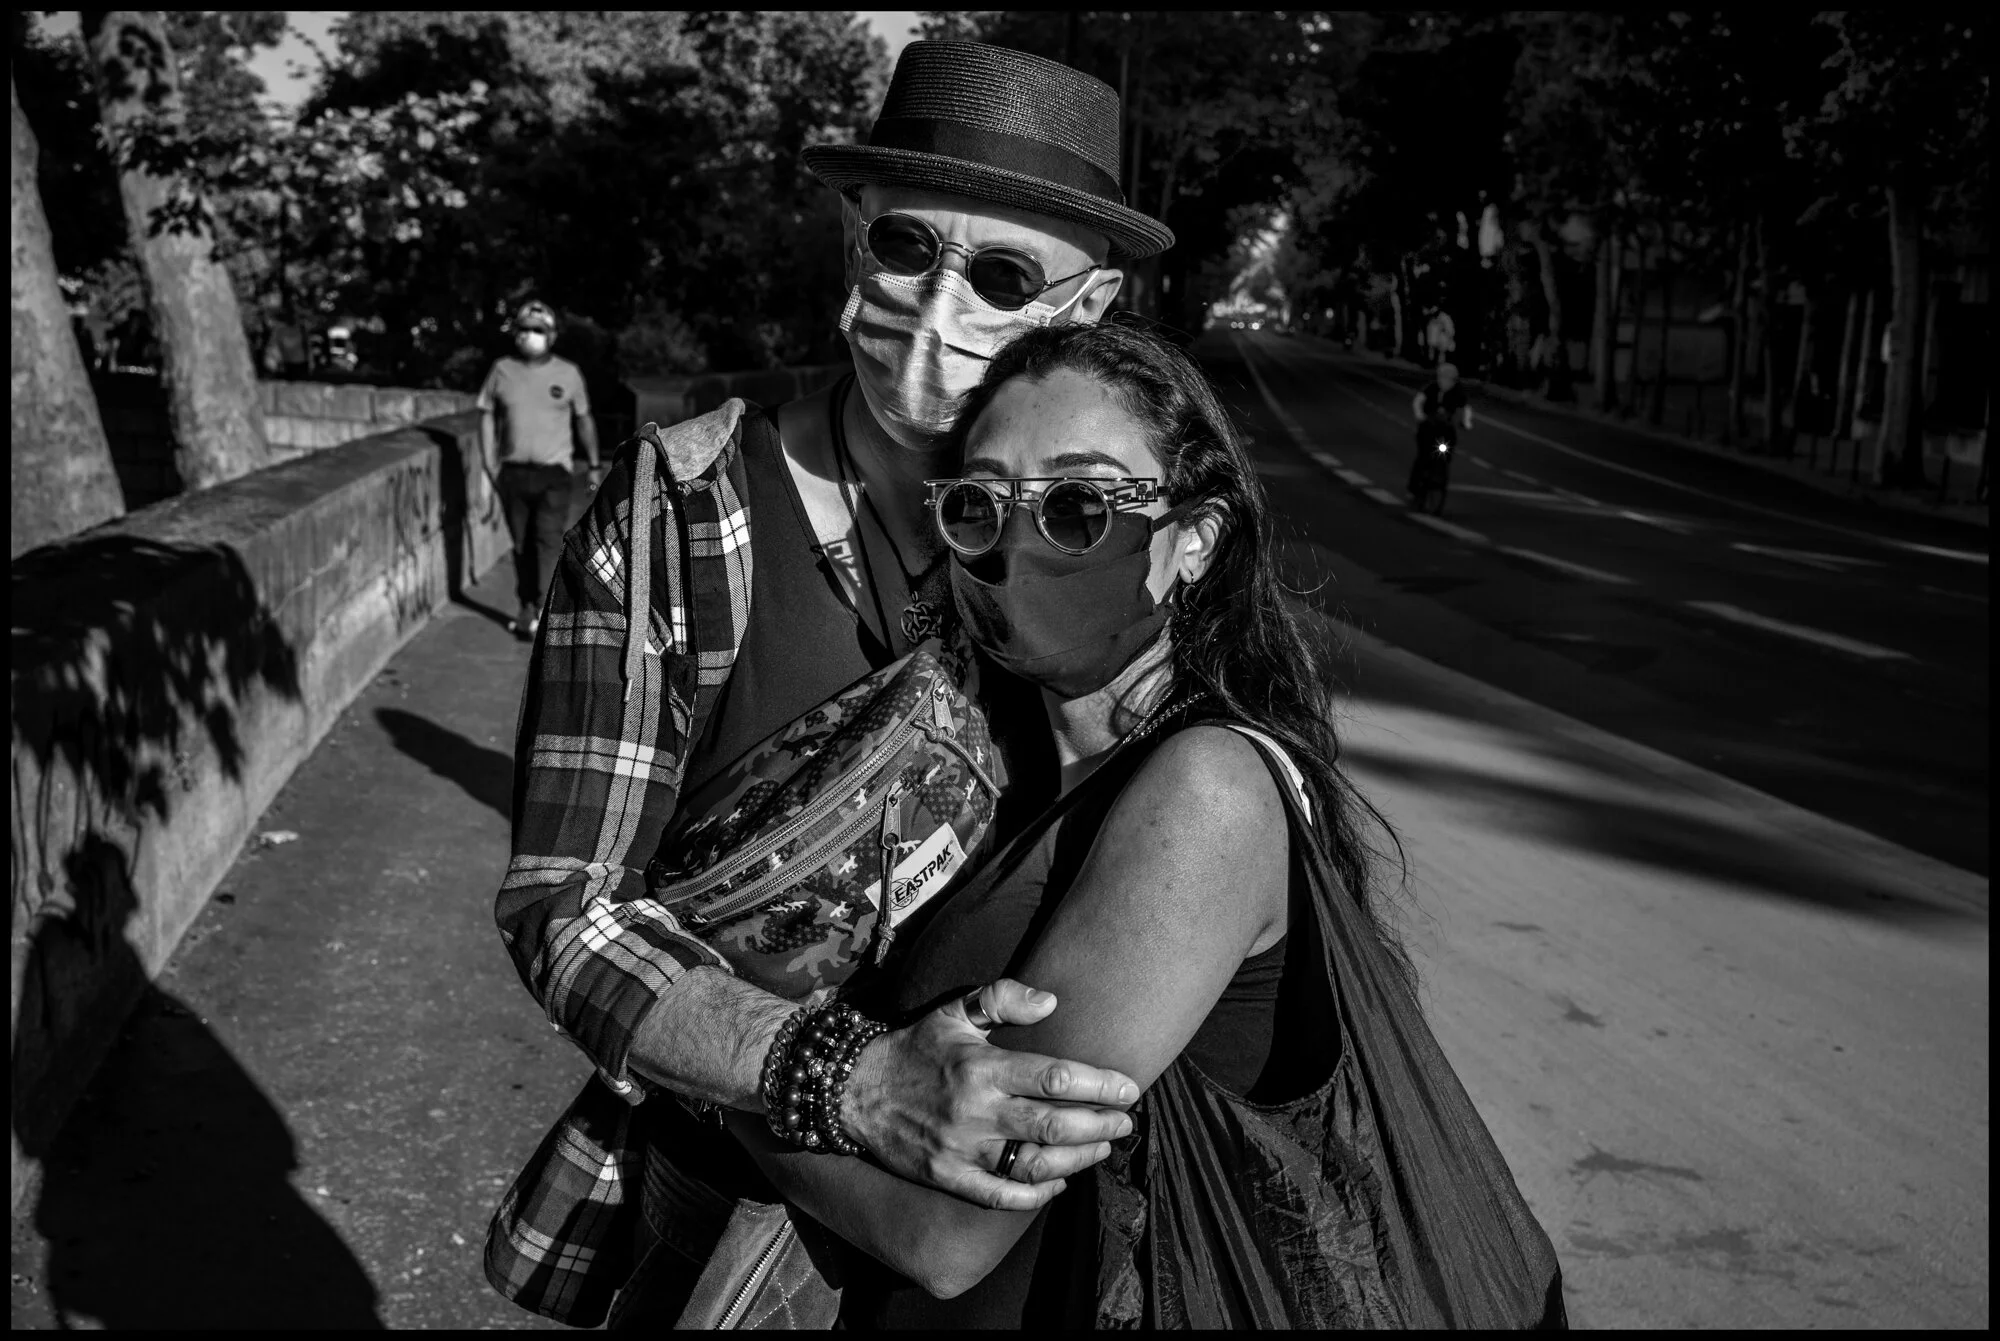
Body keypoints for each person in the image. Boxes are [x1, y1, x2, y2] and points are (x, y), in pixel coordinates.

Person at [486, 42, 1177, 1328]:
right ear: (850, 231)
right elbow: (563, 908)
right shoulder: (681, 513)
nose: (936, 305)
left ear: (1086, 308)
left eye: (1004, 272)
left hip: (1023, 1232)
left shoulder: (1115, 538)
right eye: (905, 246)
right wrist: (849, 1080)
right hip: (732, 1181)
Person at [714, 322, 1567, 1327]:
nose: (1018, 544)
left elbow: (946, 1235)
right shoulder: (996, 768)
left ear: (1192, 540)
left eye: (1076, 506)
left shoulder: (1203, 791)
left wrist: (711, 1062)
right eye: (980, 505)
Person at [477, 299, 600, 640]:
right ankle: (526, 605)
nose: (530, 336)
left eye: (538, 331)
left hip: (554, 475)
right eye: (524, 329)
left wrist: (592, 465)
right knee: (520, 544)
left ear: (552, 335)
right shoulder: (502, 370)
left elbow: (583, 419)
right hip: (513, 473)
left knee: (546, 541)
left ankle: (543, 607)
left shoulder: (568, 374)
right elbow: (486, 415)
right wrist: (489, 465)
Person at [1409, 360, 1473, 497]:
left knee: (1448, 447)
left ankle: (1440, 471)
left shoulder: (1457, 392)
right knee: (1423, 455)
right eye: (1444, 378)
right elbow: (1418, 401)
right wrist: (1420, 415)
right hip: (1428, 426)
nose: (1447, 382)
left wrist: (1466, 422)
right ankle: (1413, 487)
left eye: (1451, 379)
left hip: (1445, 427)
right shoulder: (1431, 388)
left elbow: (1466, 408)